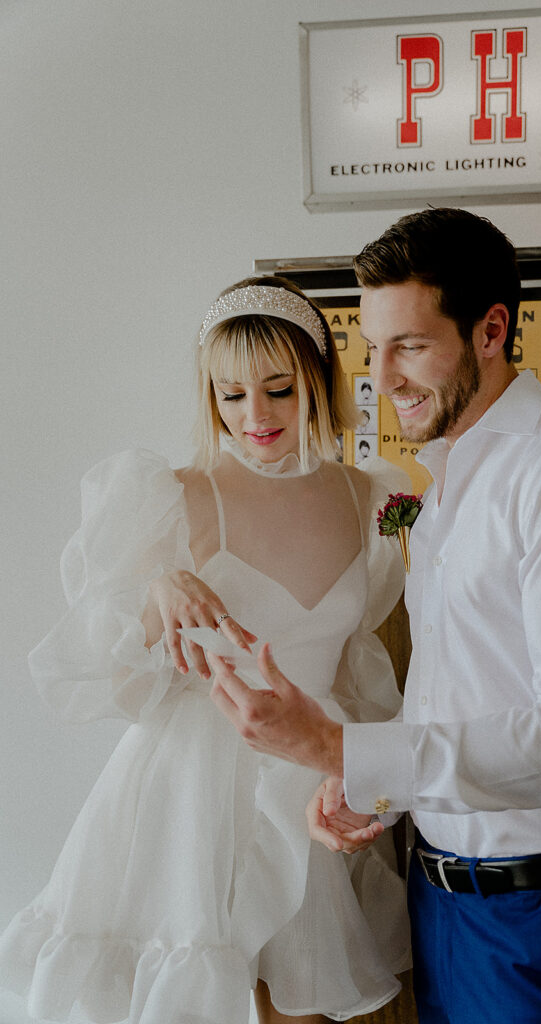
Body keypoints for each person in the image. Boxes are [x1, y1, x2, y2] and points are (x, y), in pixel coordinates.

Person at [207, 211, 541, 1024]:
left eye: (410, 346)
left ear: (491, 330)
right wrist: (370, 784)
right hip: (447, 903)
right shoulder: (445, 482)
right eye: (371, 346)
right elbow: (461, 690)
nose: (381, 377)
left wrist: (334, 745)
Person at [0, 276, 412, 1024]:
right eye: (230, 395)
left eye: (279, 389)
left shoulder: (370, 498)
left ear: (316, 380)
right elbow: (94, 670)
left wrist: (368, 779)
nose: (254, 415)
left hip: (309, 773)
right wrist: (156, 594)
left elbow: (360, 668)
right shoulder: (172, 494)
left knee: (304, 1006)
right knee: (191, 997)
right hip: (187, 789)